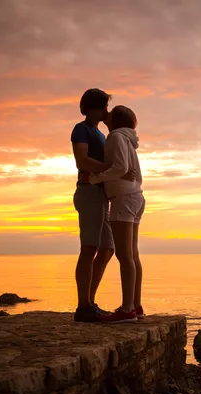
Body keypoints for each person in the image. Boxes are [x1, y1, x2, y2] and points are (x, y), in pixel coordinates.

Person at [70, 89, 134, 322]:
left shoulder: (101, 134)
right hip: (88, 191)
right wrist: (109, 168)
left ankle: (90, 301)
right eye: (104, 107)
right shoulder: (81, 129)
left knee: (107, 248)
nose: (106, 112)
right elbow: (82, 160)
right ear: (94, 108)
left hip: (101, 193)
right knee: (89, 248)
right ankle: (83, 306)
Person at [89, 105, 145, 323]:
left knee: (124, 255)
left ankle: (127, 308)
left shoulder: (114, 136)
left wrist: (94, 178)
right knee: (133, 254)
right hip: (135, 196)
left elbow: (120, 168)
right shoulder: (129, 140)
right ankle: (136, 305)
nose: (106, 115)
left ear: (116, 120)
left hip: (123, 198)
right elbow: (127, 169)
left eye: (110, 114)